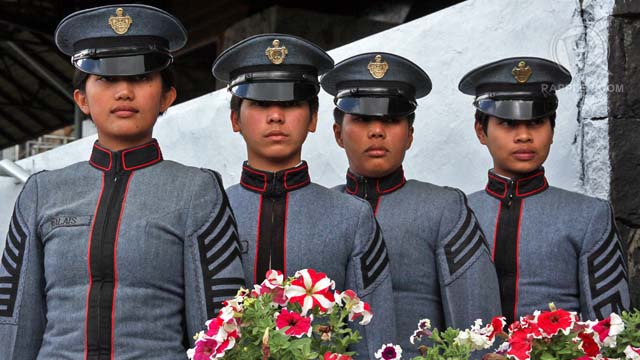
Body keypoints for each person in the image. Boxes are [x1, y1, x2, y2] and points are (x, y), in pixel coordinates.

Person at [0, 5, 245, 359]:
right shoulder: (41, 192)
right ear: (82, 99)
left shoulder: (197, 191)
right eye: (107, 79)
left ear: (166, 98)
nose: (124, 92)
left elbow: (218, 324)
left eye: (142, 78)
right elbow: (15, 321)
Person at [212, 33, 396, 359]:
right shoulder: (210, 212)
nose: (275, 116)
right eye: (259, 104)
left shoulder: (351, 216)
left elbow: (372, 335)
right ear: (234, 119)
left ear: (312, 119)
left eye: (290, 103)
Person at [322, 52, 502, 357]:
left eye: (391, 120)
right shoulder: (319, 210)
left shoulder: (445, 208)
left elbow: (477, 327)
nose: (377, 131)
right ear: (338, 134)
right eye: (363, 119)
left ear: (410, 135)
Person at [459, 56, 630, 324]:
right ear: (481, 131)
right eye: (508, 123)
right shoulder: (456, 215)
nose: (524, 136)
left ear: (552, 129)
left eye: (536, 122)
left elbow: (611, 329)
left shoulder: (589, 216)